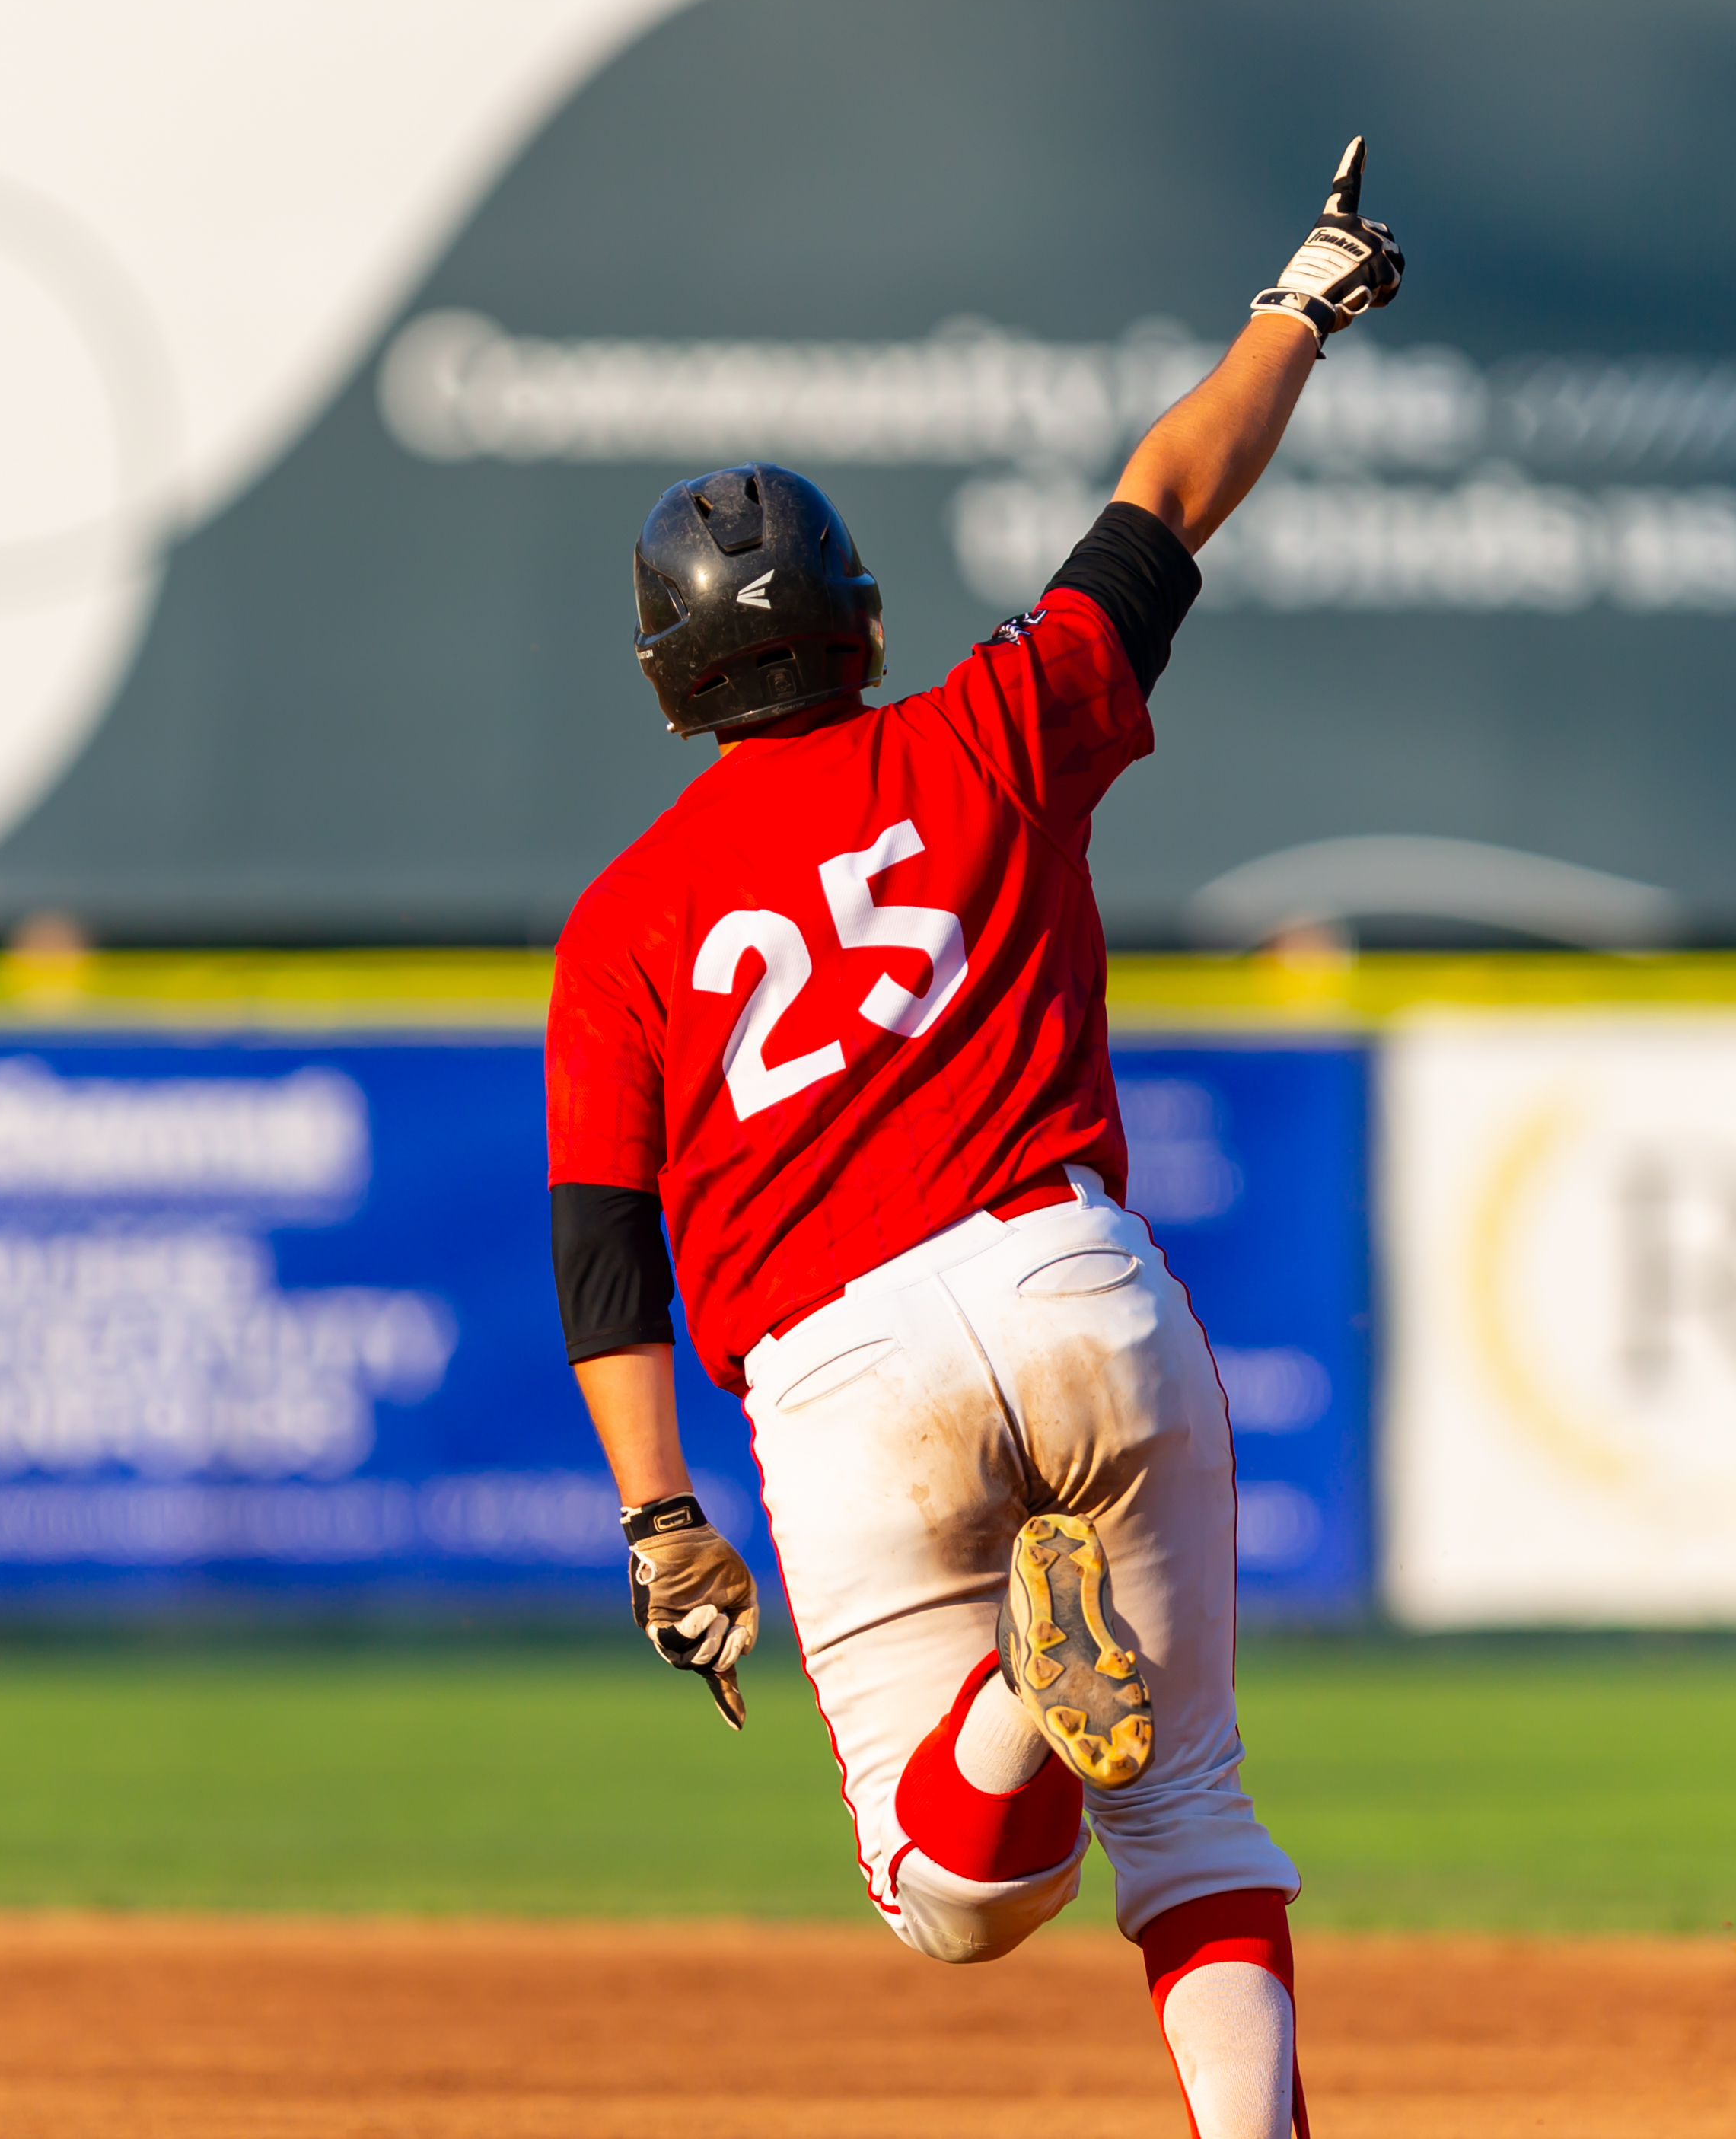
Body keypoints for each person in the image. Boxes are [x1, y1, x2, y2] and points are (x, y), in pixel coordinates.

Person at [543, 144, 1405, 2139]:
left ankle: (1025, 1688)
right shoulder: (990, 728)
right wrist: (1303, 298)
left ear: (671, 674)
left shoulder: (625, 920)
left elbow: (606, 1246)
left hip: (842, 1364)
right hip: (1074, 1276)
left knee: (951, 1898)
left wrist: (662, 1517)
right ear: (855, 623)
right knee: (1188, 1818)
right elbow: (1166, 499)